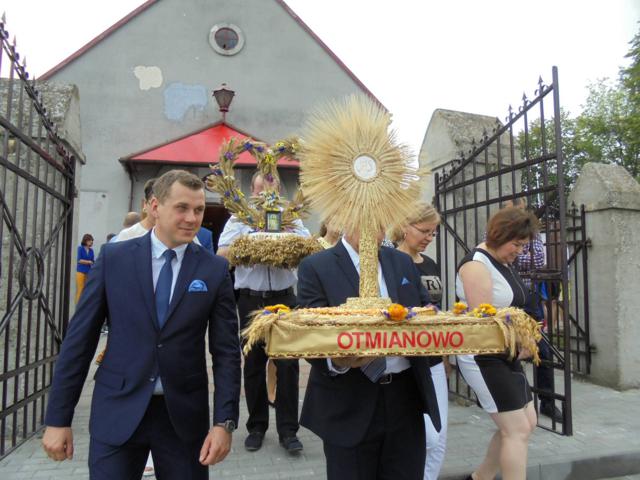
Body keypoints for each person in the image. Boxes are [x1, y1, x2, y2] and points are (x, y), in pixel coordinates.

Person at [42, 170, 241, 480]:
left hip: (182, 419)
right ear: (155, 206)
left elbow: (226, 352)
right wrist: (58, 418)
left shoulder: (214, 270)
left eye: (199, 209)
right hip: (117, 411)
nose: (192, 218)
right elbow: (79, 341)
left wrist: (224, 423)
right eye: (182, 208)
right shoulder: (114, 259)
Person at [297, 228, 441, 480]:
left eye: (379, 221)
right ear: (346, 217)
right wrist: (337, 360)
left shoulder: (401, 261)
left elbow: (425, 306)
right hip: (348, 401)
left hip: (405, 399)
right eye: (364, 219)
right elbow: (310, 333)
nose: (372, 227)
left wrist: (431, 318)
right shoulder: (316, 266)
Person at [217, 171, 310, 454]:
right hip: (251, 300)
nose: (266, 194)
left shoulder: (292, 217)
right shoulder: (239, 218)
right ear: (252, 191)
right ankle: (256, 427)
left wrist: (285, 243)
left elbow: (308, 250)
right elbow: (222, 255)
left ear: (279, 190)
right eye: (261, 189)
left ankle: (288, 431)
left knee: (288, 365)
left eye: (272, 189)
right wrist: (253, 245)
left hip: (284, 299)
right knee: (254, 365)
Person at [455, 207, 540, 480]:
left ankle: (480, 477)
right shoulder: (476, 265)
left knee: (528, 423)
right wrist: (522, 337)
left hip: (506, 353)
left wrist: (526, 337)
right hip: (483, 355)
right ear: (499, 235)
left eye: (523, 245)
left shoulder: (503, 262)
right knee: (517, 430)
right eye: (517, 244)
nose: (520, 251)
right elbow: (485, 320)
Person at [392, 202, 448, 480]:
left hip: (434, 358)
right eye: (424, 231)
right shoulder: (389, 262)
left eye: (433, 233)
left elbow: (436, 308)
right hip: (407, 361)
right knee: (427, 438)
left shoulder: (430, 263)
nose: (429, 237)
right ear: (405, 226)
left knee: (440, 439)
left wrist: (445, 356)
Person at [505, 198, 562, 423]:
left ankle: (547, 401)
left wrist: (516, 253)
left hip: (529, 297)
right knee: (506, 349)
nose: (517, 215)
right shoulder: (496, 232)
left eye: (520, 210)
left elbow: (538, 260)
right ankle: (512, 400)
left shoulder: (533, 232)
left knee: (543, 351)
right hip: (505, 299)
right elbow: (499, 259)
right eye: (512, 210)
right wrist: (522, 254)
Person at [75, 234, 95, 304]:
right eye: (90, 240)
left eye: (92, 240)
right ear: (85, 240)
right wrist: (89, 262)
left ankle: (84, 305)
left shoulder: (91, 250)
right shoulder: (80, 248)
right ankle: (78, 306)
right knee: (80, 290)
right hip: (80, 272)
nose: (91, 242)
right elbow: (79, 260)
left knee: (87, 290)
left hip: (88, 273)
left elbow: (92, 261)